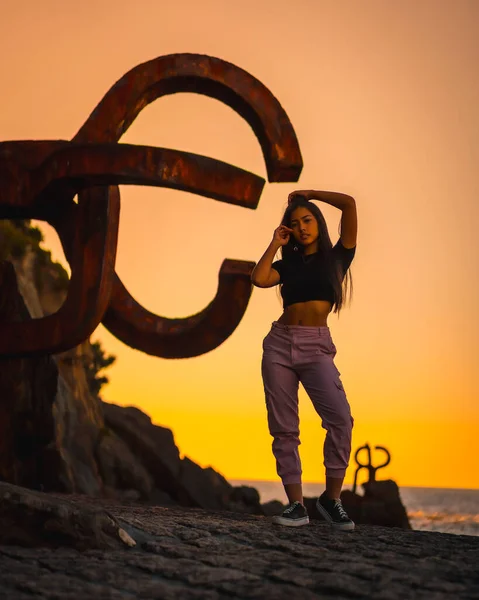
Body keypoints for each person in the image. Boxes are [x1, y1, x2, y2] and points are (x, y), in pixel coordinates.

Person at [251, 189, 357, 531]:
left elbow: (349, 205)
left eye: (307, 219)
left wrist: (310, 194)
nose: (302, 227)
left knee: (340, 419)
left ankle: (330, 499)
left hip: (316, 348)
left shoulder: (338, 257)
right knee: (284, 428)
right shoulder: (287, 264)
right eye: (295, 224)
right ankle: (296, 505)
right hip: (279, 346)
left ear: (318, 222)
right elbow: (259, 278)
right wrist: (274, 242)